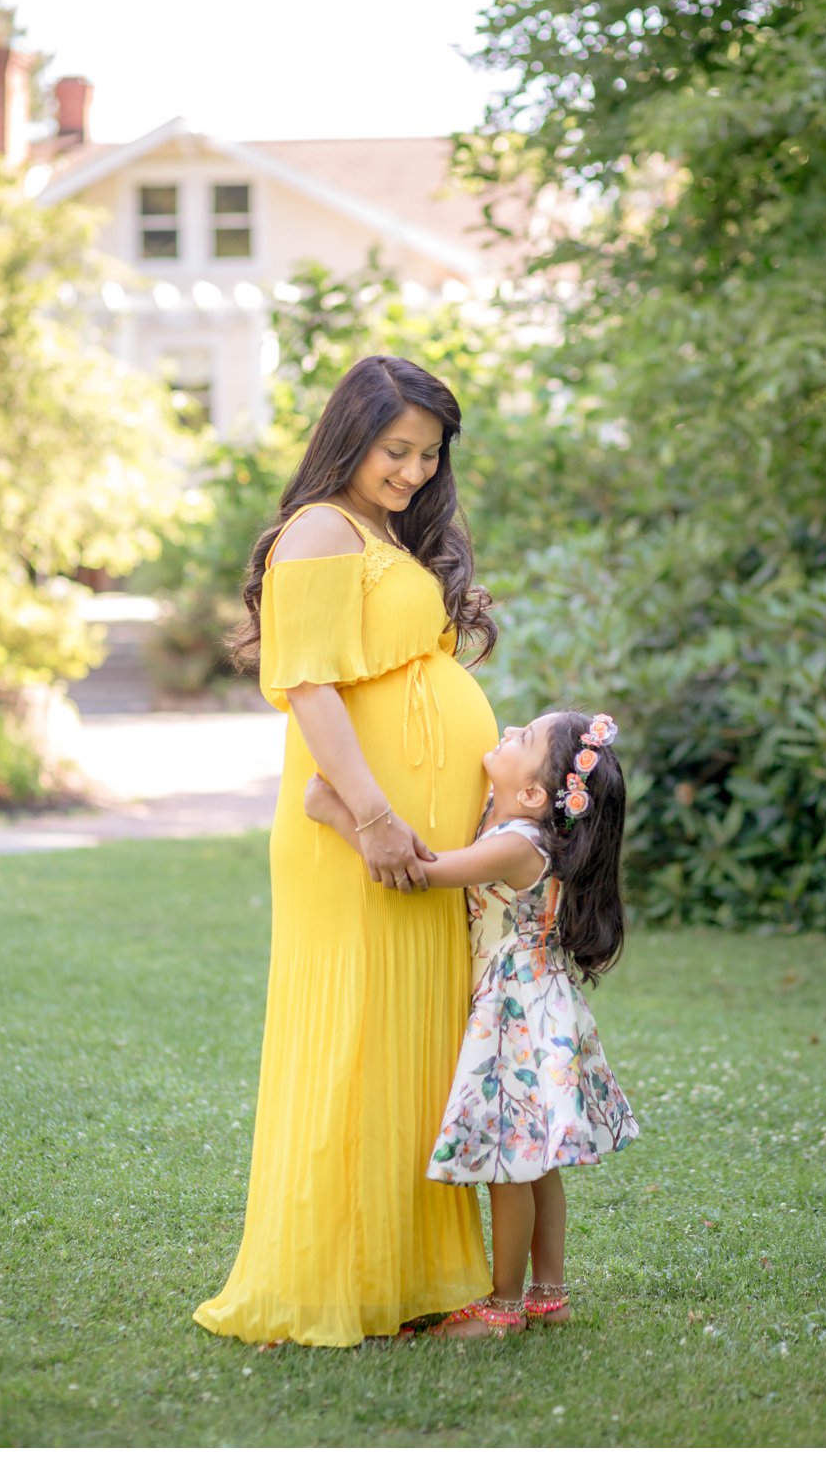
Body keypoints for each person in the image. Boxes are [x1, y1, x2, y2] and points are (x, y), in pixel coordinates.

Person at [193, 355, 500, 1348]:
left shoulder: (379, 532)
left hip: (407, 823)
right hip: (356, 825)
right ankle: (351, 1283)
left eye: (426, 453)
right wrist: (370, 813)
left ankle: (412, 1285)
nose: (410, 469)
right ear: (348, 436)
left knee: (411, 1047)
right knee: (362, 1041)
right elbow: (309, 683)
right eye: (393, 448)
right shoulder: (320, 528)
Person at [306, 708, 639, 1336]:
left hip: (514, 1010)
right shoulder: (518, 824)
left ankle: (502, 1306)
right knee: (537, 1164)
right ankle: (550, 1293)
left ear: (537, 793)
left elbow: (423, 877)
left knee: (510, 1165)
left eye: (524, 738)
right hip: (536, 1003)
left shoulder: (517, 844)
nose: (509, 732)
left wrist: (340, 816)